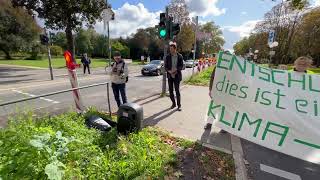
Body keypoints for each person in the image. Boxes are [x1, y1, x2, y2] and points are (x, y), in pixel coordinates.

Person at [204, 65, 227, 133]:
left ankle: (224, 126)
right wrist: (210, 90)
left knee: (225, 110)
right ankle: (209, 123)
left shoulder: (233, 67)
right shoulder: (218, 66)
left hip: (227, 92)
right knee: (213, 108)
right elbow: (212, 78)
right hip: (217, 91)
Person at [165, 42, 184, 111]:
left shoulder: (180, 56)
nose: (170, 50)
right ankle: (173, 103)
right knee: (170, 91)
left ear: (175, 49)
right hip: (170, 76)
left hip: (177, 76)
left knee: (177, 91)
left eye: (172, 49)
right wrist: (169, 71)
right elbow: (165, 66)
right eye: (170, 49)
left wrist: (176, 69)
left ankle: (179, 105)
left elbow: (182, 66)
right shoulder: (168, 56)